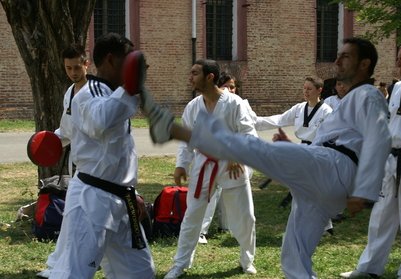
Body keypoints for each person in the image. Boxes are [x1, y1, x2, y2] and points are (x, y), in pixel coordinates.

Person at [134, 37, 392, 278]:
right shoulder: (348, 100)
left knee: (261, 153)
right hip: (323, 180)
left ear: (364, 64)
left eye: (345, 57)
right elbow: (339, 138)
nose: (337, 61)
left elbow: (379, 138)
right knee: (294, 254)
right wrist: (292, 148)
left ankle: (176, 130)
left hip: (334, 167)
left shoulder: (367, 95)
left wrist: (365, 191)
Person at [50, 33, 155, 279]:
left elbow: (118, 153)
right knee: (73, 273)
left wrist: (132, 191)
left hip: (122, 199)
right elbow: (100, 122)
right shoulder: (88, 92)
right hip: (92, 200)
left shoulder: (111, 93)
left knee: (140, 272)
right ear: (111, 60)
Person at [164, 59, 258, 278]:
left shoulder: (234, 103)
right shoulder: (193, 106)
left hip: (233, 165)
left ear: (210, 77)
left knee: (245, 217)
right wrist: (181, 165)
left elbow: (249, 134)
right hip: (203, 165)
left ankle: (247, 259)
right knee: (192, 216)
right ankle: (180, 263)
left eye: (195, 73)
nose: (190, 77)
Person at [340, 40, 401, 279]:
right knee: (381, 216)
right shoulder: (397, 89)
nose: (397, 63)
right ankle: (369, 267)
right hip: (391, 159)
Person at [36, 43, 89, 278]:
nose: (73, 72)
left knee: (90, 216)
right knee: (73, 214)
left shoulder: (97, 92)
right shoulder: (69, 92)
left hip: (98, 167)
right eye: (68, 68)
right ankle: (59, 263)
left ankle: (75, 262)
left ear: (86, 64)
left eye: (77, 67)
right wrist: (46, 143)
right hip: (77, 165)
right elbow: (66, 131)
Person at [255, 77, 334, 226]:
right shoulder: (299, 108)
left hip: (317, 153)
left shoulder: (326, 112)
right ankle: (316, 223)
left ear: (319, 90)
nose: (306, 92)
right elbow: (279, 120)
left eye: (309, 89)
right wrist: (255, 121)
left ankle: (322, 223)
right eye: (304, 88)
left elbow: (330, 136)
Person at [199, 72, 239, 244]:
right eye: (227, 86)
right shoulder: (208, 104)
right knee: (210, 193)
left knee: (229, 192)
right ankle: (201, 231)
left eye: (233, 86)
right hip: (212, 156)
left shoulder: (237, 104)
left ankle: (226, 225)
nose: (230, 89)